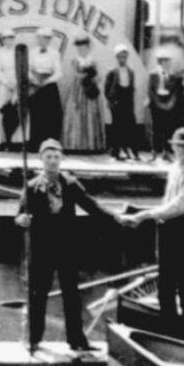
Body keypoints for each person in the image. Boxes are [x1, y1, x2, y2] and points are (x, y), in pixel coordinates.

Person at [15, 139, 116, 353]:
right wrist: (21, 219)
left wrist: (116, 218)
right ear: (41, 159)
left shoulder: (70, 184)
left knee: (71, 294)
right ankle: (33, 339)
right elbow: (20, 213)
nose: (52, 161)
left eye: (56, 157)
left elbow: (91, 205)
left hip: (67, 246)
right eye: (48, 157)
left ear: (61, 159)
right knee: (38, 294)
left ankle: (76, 340)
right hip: (41, 247)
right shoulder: (32, 186)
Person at [123, 128, 184, 331]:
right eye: (178, 146)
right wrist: (153, 216)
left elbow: (179, 206)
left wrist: (144, 215)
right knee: (165, 286)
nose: (181, 150)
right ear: (172, 147)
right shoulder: (174, 168)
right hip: (167, 229)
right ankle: (169, 331)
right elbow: (167, 201)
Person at [62, 36, 106, 152]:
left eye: (84, 47)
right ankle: (75, 145)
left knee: (91, 114)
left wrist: (94, 77)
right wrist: (87, 74)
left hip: (90, 89)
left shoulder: (93, 60)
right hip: (78, 89)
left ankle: (91, 145)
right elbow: (76, 74)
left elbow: (99, 77)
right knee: (76, 113)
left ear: (88, 48)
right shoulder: (75, 60)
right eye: (79, 48)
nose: (82, 50)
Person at [27, 27, 64, 146]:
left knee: (51, 115)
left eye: (46, 38)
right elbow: (28, 69)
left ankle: (50, 142)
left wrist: (47, 80)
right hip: (36, 85)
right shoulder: (32, 52)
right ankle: (35, 142)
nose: (43, 41)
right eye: (41, 38)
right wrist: (34, 79)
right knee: (36, 114)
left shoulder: (54, 53)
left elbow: (59, 72)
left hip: (49, 87)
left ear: (49, 40)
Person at [103, 44, 142, 160]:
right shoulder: (112, 72)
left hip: (127, 100)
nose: (122, 59)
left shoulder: (130, 72)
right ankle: (116, 151)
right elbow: (107, 88)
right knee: (116, 127)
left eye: (124, 57)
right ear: (116, 58)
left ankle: (133, 151)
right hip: (116, 100)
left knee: (130, 125)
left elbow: (132, 87)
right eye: (120, 57)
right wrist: (111, 100)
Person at [147, 53, 184, 160]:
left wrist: (170, 103)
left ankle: (166, 152)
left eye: (168, 62)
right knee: (156, 129)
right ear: (160, 62)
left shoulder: (172, 76)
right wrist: (158, 103)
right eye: (165, 62)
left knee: (167, 129)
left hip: (168, 104)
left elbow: (175, 92)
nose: (167, 64)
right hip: (156, 103)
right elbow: (151, 91)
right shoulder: (153, 75)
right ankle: (154, 152)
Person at [0, 27, 22, 149]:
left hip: (16, 82)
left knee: (17, 110)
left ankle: (16, 141)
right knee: (2, 110)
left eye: (11, 39)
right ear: (2, 40)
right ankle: (2, 140)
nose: (9, 41)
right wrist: (6, 82)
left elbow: (22, 67)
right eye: (6, 39)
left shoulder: (18, 51)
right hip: (3, 82)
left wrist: (16, 82)